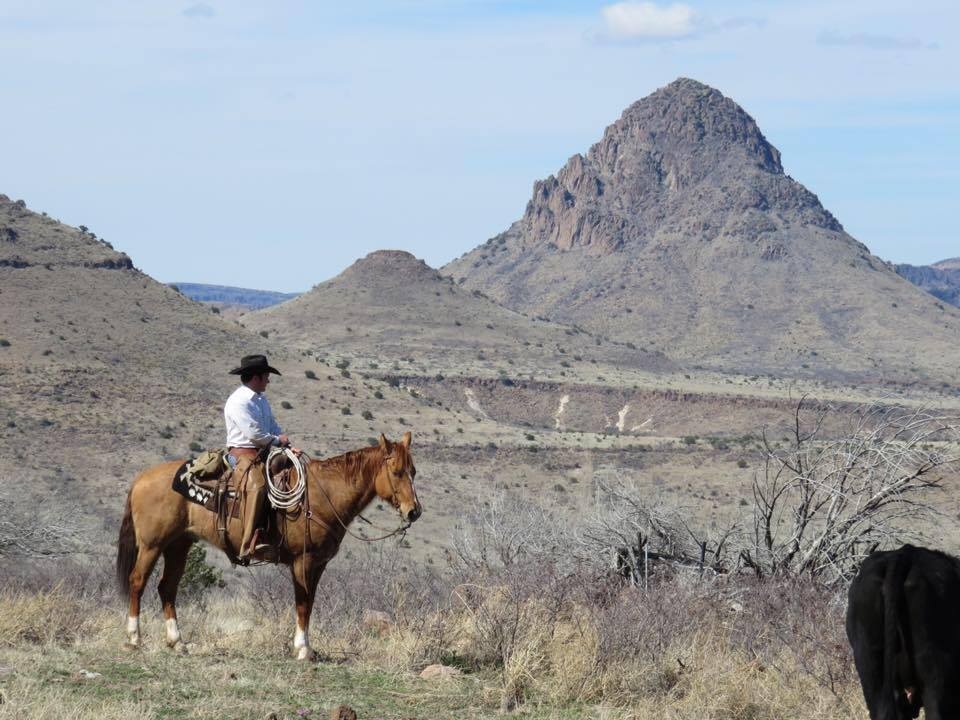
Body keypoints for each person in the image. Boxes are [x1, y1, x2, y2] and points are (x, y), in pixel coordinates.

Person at [224, 354, 299, 560]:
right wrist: (277, 441)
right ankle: (248, 544)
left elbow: (273, 426)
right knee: (258, 487)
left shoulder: (260, 400)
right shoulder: (238, 402)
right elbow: (254, 434)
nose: (269, 380)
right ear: (255, 377)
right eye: (266, 375)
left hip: (264, 452)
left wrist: (288, 446)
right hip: (242, 454)